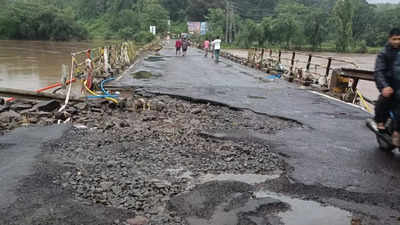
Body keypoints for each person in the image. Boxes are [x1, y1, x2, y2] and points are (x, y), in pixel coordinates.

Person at [374, 28, 400, 146]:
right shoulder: (384, 53)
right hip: (390, 84)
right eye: (394, 39)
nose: (397, 42)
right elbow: (379, 71)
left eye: (399, 39)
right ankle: (380, 124)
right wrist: (384, 86)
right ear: (389, 39)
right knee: (384, 99)